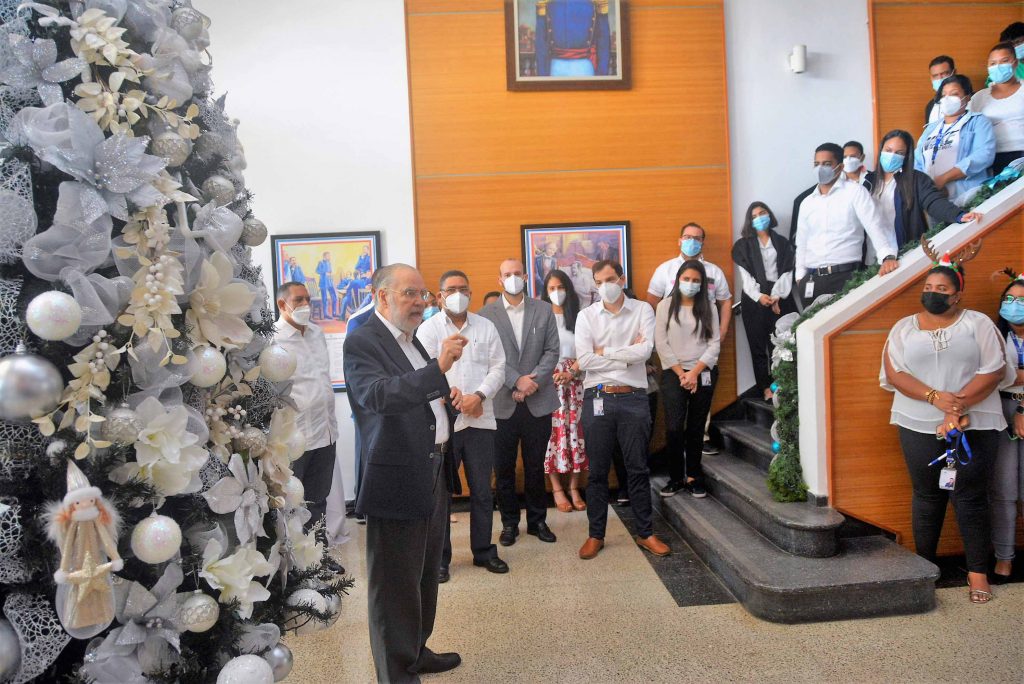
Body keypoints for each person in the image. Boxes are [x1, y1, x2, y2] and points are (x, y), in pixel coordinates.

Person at [344, 263, 466, 682]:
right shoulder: (363, 342)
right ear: (382, 296)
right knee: (394, 586)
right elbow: (377, 396)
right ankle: (396, 674)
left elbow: (419, 393)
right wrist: (438, 372)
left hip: (431, 470)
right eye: (409, 294)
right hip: (396, 475)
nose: (420, 302)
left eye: (422, 294)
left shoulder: (411, 341)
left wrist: (442, 396)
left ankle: (416, 650)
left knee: (425, 575)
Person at [880, 244, 1009, 605]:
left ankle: (977, 572)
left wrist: (958, 406)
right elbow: (895, 372)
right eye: (928, 288)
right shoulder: (903, 328)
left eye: (942, 290)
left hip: (975, 422)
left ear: (957, 295)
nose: (932, 294)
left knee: (970, 497)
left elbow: (994, 368)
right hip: (917, 421)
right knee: (926, 495)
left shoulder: (977, 323)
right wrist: (936, 399)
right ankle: (925, 568)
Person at [416, 270, 509, 580]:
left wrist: (479, 395)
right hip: (445, 424)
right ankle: (441, 559)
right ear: (440, 295)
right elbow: (426, 369)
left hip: (480, 419)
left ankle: (483, 551)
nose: (458, 294)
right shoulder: (428, 329)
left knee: (483, 491)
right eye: (451, 289)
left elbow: (498, 366)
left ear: (471, 292)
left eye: (463, 289)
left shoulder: (486, 326)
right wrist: (449, 396)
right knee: (441, 496)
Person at [575, 259, 670, 560]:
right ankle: (595, 535)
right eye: (600, 281)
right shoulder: (585, 316)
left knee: (638, 468)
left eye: (612, 279)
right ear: (594, 284)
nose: (607, 286)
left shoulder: (642, 309)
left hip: (633, 399)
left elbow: (645, 350)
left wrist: (604, 352)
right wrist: (625, 356)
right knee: (598, 472)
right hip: (597, 397)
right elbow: (585, 360)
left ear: (623, 278)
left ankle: (646, 533)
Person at [479, 258, 561, 546]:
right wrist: (516, 381)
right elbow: (488, 357)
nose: (513, 278)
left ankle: (538, 522)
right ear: (499, 280)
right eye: (507, 274)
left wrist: (531, 382)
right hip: (502, 402)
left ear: (525, 277)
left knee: (536, 466)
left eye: (517, 273)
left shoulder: (544, 309)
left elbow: (552, 351)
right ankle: (509, 524)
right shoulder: (485, 315)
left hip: (538, 400)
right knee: (503, 469)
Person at [647, 222, 732, 455]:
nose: (692, 241)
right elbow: (651, 304)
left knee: (700, 406)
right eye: (687, 236)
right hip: (673, 350)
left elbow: (725, 302)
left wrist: (722, 331)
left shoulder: (714, 271)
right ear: (679, 240)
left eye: (697, 237)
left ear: (703, 242)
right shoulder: (665, 269)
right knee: (674, 414)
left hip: (704, 345)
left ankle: (700, 441)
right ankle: (677, 461)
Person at [794, 142, 900, 310]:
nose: (820, 168)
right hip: (812, 281)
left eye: (827, 164)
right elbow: (802, 242)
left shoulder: (855, 192)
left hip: (845, 276)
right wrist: (800, 276)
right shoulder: (806, 203)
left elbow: (874, 226)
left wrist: (887, 256)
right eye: (817, 164)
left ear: (840, 166)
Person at [274, 281, 339, 532]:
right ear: (283, 305)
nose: (305, 305)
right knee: (292, 502)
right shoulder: (273, 340)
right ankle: (296, 566)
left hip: (325, 432)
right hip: (295, 437)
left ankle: (318, 559)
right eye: (298, 300)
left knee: (318, 499)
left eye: (307, 300)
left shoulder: (316, 333)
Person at [655, 260, 721, 498]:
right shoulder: (664, 306)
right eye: (686, 279)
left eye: (696, 281)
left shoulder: (709, 307)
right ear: (677, 280)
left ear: (702, 284)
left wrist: (694, 373)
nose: (690, 284)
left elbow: (714, 344)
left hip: (702, 372)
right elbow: (660, 343)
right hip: (674, 373)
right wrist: (682, 373)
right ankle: (675, 477)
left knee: (696, 426)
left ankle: (693, 476)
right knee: (673, 427)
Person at [864, 130, 982, 246]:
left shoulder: (917, 180)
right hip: (870, 251)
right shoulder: (867, 181)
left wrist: (958, 215)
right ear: (881, 150)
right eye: (888, 150)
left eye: (899, 153)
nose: (892, 156)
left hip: (901, 250)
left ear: (906, 156)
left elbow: (934, 202)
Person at [731, 202, 794, 400]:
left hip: (780, 294)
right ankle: (764, 388)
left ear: (770, 214)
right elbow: (746, 278)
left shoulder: (782, 242)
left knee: (781, 343)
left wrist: (776, 295)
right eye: (755, 215)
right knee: (758, 346)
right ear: (750, 221)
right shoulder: (743, 245)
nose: (759, 217)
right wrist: (760, 297)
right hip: (754, 297)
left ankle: (782, 385)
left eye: (763, 213)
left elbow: (787, 271)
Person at [540, 269, 588, 513]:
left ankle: (574, 487)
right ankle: (557, 489)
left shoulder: (579, 317)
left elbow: (587, 350)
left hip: (576, 382)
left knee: (575, 432)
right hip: (548, 383)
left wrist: (572, 373)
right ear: (545, 292)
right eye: (551, 288)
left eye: (561, 287)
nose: (556, 292)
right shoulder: (539, 318)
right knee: (553, 435)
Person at [914, 75, 996, 203]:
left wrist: (944, 178)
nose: (947, 99)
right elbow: (917, 161)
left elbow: (984, 155)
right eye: (944, 95)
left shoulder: (978, 122)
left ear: (967, 97)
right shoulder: (931, 129)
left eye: (954, 94)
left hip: (968, 195)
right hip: (934, 198)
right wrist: (926, 185)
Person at [992, 269, 1024, 583]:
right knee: (1004, 488)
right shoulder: (997, 337)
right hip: (1001, 410)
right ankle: (1004, 557)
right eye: (1009, 299)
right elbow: (998, 377)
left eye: (1022, 300)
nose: (1014, 305)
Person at [970, 42, 1024, 173]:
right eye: (993, 63)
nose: (998, 67)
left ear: (1015, 63)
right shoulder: (979, 98)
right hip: (993, 158)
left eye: (1004, 61)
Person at [535, 0, 611, 78]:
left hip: (584, 68)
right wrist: (542, 75)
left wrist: (602, 76)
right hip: (555, 68)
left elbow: (603, 40)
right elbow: (541, 41)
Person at [925, 55, 956, 124]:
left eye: (944, 74)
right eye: (935, 76)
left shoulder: (969, 100)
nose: (939, 79)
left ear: (954, 73)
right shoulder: (930, 106)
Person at [316, 251, 340, 320]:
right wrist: (324, 273)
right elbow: (317, 271)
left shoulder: (329, 263)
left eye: (330, 256)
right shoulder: (320, 262)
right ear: (324, 256)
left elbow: (330, 271)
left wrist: (330, 275)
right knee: (325, 299)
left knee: (334, 297)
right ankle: (326, 314)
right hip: (323, 283)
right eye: (328, 256)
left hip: (330, 282)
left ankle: (334, 313)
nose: (329, 257)